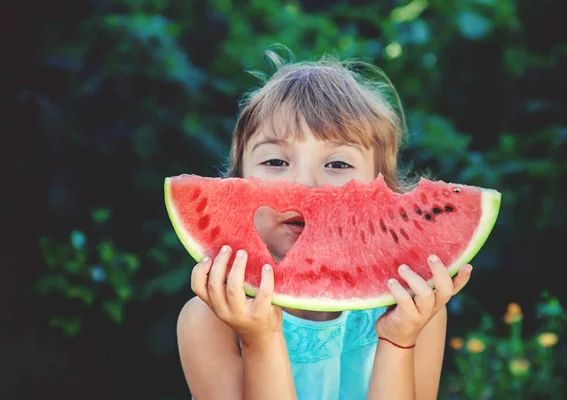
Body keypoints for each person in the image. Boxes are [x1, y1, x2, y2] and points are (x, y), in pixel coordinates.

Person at [177, 47, 473, 400]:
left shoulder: (414, 309)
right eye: (274, 161)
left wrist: (398, 341)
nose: (304, 185)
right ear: (237, 184)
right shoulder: (209, 320)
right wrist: (261, 341)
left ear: (382, 196)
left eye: (337, 165)